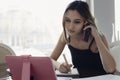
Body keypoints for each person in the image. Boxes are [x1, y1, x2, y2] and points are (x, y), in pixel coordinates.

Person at [50, 0, 116, 78]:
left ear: (86, 22)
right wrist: (59, 65)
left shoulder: (98, 37)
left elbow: (111, 69)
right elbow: (50, 59)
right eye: (67, 20)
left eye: (77, 22)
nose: (71, 27)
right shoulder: (66, 35)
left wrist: (97, 37)